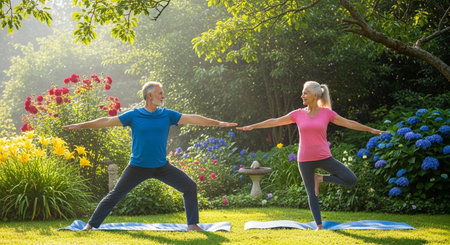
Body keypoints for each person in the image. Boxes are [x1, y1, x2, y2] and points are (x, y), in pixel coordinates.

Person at [63, 81, 237, 231]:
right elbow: (107, 121)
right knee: (115, 195)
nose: (163, 96)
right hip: (138, 166)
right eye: (160, 93)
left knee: (189, 186)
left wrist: (218, 123)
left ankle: (192, 224)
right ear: (149, 95)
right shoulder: (134, 115)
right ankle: (91, 225)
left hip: (161, 166)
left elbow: (193, 118)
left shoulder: (167, 115)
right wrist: (81, 125)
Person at [237, 81, 387, 230]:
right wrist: (254, 126)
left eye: (305, 93)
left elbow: (348, 123)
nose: (302, 95)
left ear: (315, 95)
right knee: (311, 194)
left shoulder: (327, 113)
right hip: (305, 159)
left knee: (351, 179)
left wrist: (370, 130)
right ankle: (319, 226)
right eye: (303, 92)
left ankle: (320, 178)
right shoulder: (298, 114)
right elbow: (275, 121)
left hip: (324, 157)